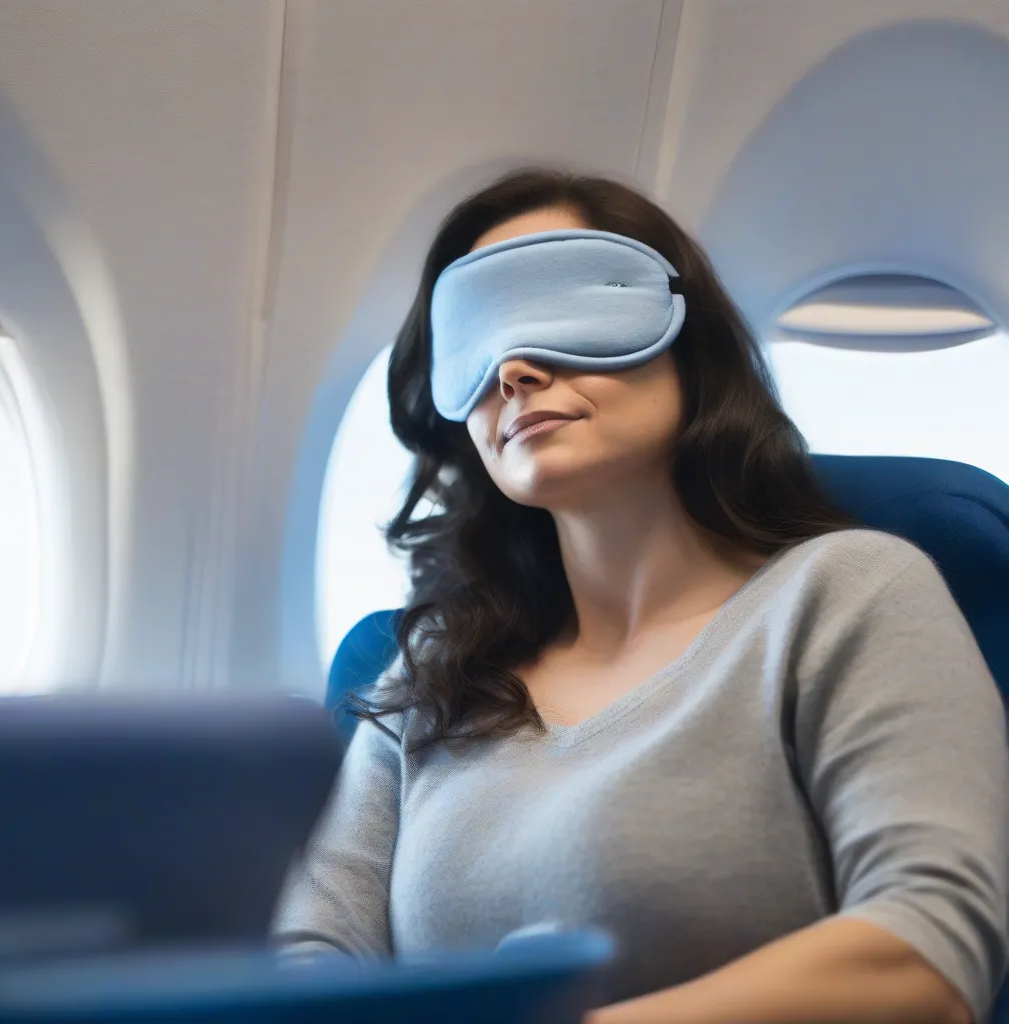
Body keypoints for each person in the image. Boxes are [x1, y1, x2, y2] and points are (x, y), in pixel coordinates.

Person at [275, 167, 1008, 1024]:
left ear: (683, 330)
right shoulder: (426, 678)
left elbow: (928, 951)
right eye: (475, 339)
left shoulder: (848, 597)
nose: (512, 368)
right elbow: (310, 959)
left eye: (557, 305)